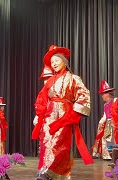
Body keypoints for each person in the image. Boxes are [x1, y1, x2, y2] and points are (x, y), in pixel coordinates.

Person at [32, 45, 93, 179]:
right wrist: (39, 115)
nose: (54, 64)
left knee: (59, 144)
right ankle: (45, 170)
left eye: (56, 60)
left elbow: (84, 95)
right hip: (49, 116)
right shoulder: (50, 81)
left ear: (64, 61)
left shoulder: (74, 78)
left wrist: (74, 114)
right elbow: (42, 98)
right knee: (46, 142)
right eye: (52, 62)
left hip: (64, 115)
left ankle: (52, 172)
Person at [91, 80, 116, 160]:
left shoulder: (115, 101)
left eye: (103, 94)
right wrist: (100, 123)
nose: (102, 96)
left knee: (113, 139)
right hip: (108, 123)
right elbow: (105, 116)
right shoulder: (105, 105)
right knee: (105, 138)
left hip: (115, 122)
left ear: (108, 94)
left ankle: (115, 155)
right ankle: (107, 155)